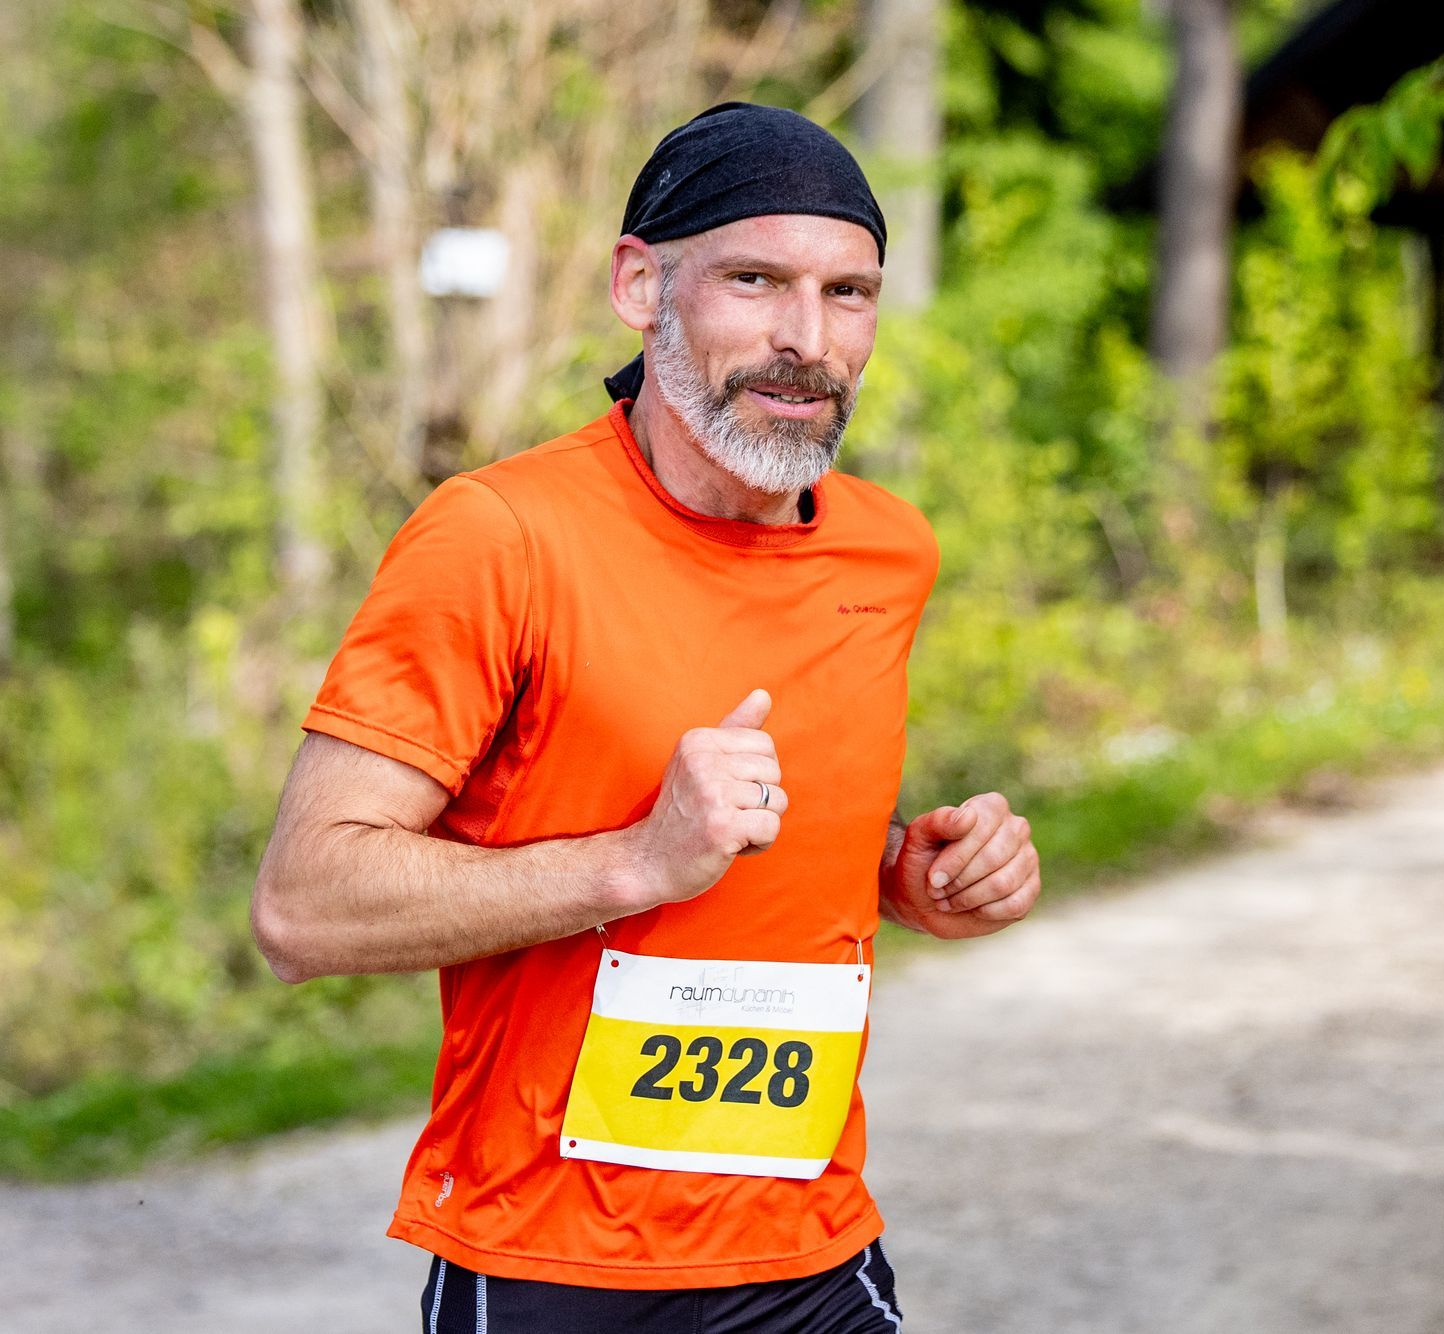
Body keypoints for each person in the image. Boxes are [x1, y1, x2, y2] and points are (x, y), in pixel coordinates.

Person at [251, 102, 1042, 1332]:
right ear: (640, 284)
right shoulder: (499, 537)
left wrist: (904, 874)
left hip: (808, 1248)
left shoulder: (888, 550)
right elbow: (303, 904)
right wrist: (636, 859)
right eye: (753, 279)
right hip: (548, 1264)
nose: (804, 338)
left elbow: (775, 840)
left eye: (848, 292)